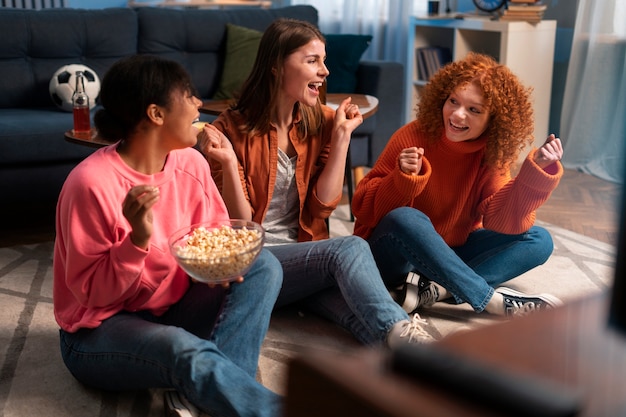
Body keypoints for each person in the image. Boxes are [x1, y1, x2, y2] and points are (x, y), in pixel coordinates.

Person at [53, 54, 284, 417]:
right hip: (98, 330)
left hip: (170, 310)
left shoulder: (190, 162)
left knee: (264, 265)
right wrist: (137, 240)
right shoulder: (89, 184)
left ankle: (210, 392)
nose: (199, 103)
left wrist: (221, 268)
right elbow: (92, 294)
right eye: (189, 95)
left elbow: (213, 239)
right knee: (182, 349)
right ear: (156, 114)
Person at [198, 18, 435, 348]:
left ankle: (421, 358)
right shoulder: (230, 129)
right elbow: (243, 228)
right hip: (257, 266)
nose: (325, 71)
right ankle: (403, 332)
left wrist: (341, 139)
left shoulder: (322, 119)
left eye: (323, 61)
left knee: (362, 316)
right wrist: (224, 161)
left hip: (304, 259)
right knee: (350, 247)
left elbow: (323, 207)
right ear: (276, 66)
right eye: (312, 61)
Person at [352, 52, 564, 317]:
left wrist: (534, 174)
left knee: (539, 239)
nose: (457, 115)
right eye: (453, 101)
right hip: (392, 259)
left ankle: (437, 289)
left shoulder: (492, 154)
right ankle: (488, 299)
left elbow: (500, 221)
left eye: (474, 110)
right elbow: (363, 210)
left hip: (446, 255)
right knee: (406, 218)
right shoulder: (414, 134)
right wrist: (401, 180)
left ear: (494, 119)